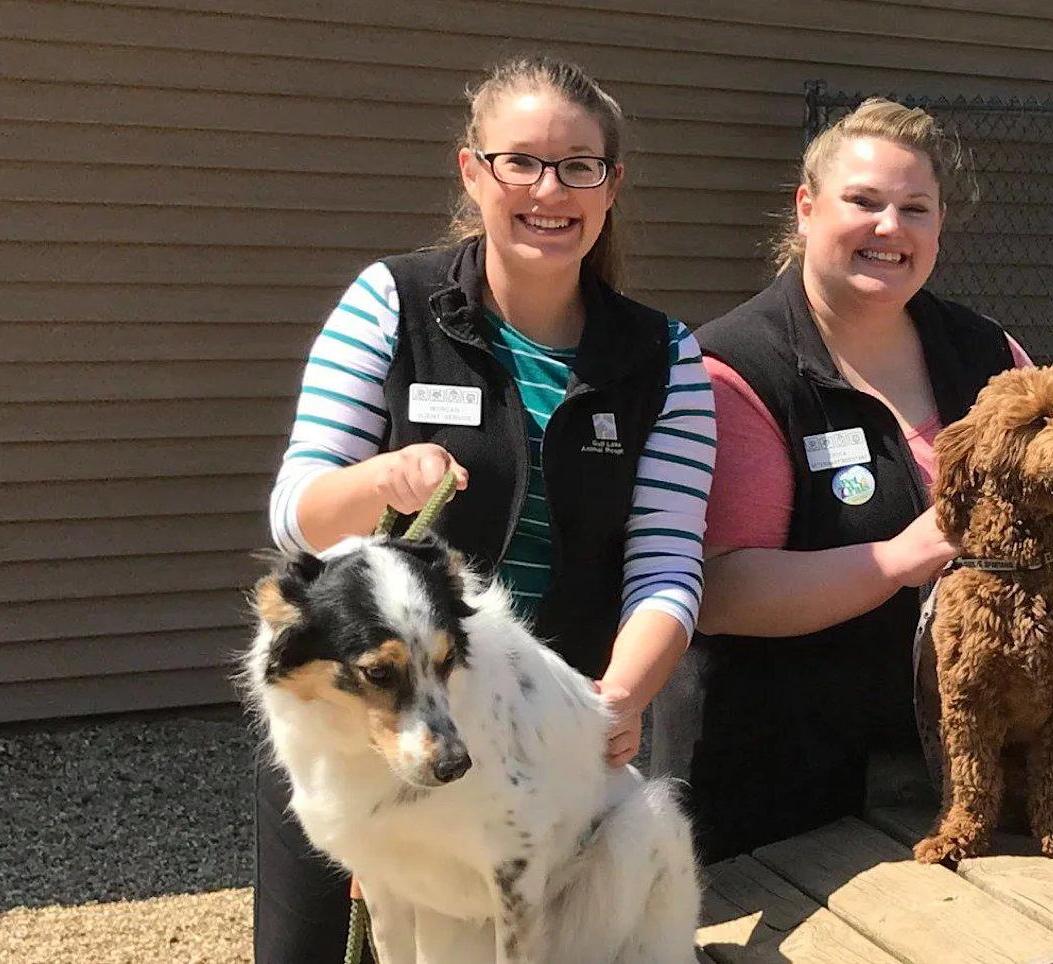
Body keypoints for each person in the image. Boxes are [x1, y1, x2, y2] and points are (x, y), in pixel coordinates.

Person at [255, 55, 713, 964]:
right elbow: (296, 516)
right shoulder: (390, 301)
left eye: (579, 166)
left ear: (610, 185)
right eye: (521, 162)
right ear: (474, 171)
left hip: (537, 748)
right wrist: (382, 479)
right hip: (369, 721)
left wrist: (619, 699)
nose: (551, 190)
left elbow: (667, 563)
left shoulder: (666, 356)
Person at [687, 97, 1034, 862]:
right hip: (795, 801)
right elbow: (721, 591)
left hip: (975, 782)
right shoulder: (738, 367)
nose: (891, 228)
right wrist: (901, 559)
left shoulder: (986, 353)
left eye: (916, 209)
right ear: (807, 208)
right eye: (865, 202)